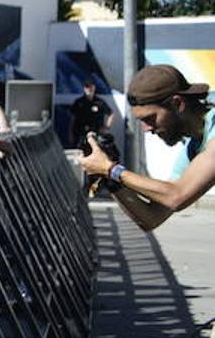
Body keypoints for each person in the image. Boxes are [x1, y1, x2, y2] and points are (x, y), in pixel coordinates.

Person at [81, 65, 215, 232]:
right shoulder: (194, 146)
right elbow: (151, 218)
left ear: (177, 104)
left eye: (150, 118)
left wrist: (111, 169)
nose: (146, 129)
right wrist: (110, 179)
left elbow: (176, 196)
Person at [69, 77, 113, 150]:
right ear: (84, 89)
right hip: (81, 134)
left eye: (90, 87)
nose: (89, 89)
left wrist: (106, 127)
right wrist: (70, 134)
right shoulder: (79, 102)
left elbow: (111, 113)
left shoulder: (100, 102)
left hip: (96, 134)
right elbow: (72, 118)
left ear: (94, 88)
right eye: (87, 87)